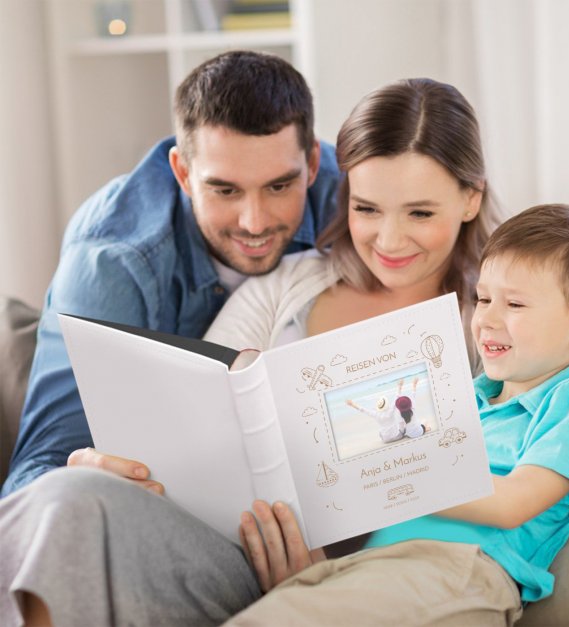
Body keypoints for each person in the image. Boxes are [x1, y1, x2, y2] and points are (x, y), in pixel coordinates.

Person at [0, 77, 501, 626]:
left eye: (420, 214)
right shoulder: (290, 282)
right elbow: (189, 407)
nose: (388, 239)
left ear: (470, 198)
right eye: (367, 209)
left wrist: (321, 577)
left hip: (357, 580)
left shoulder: (490, 325)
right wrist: (108, 464)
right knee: (70, 498)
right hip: (215, 545)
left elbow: (478, 495)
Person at [222, 204, 569, 626]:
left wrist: (395, 466)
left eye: (516, 304)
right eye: (483, 298)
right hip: (374, 565)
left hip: (461, 571)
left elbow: (513, 503)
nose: (486, 318)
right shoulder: (464, 394)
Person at [1, 50, 340, 497]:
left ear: (312, 163)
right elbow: (30, 478)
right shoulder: (113, 263)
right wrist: (79, 482)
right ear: (182, 172)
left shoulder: (355, 201)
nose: (254, 222)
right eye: (224, 190)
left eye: (279, 186)